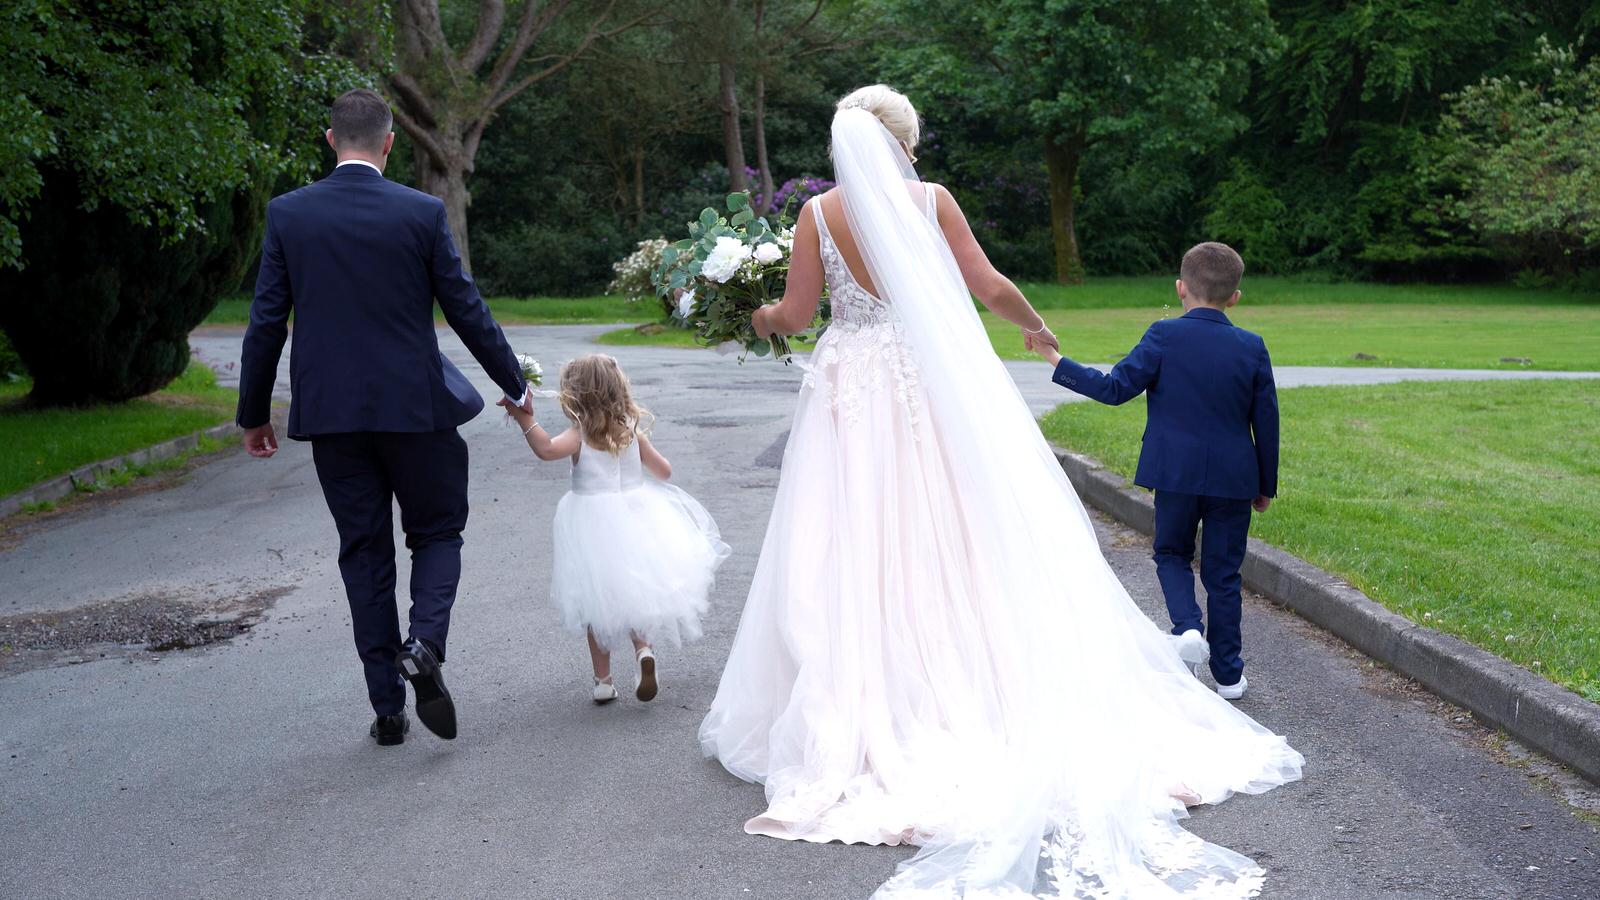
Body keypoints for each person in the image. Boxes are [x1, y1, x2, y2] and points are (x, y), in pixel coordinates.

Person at [698, 85, 1303, 898]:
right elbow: (985, 282)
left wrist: (755, 316)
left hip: (853, 391)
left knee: (851, 534)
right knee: (956, 527)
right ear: (903, 141)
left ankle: (873, 693)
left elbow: (800, 311)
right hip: (928, 382)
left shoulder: (819, 216)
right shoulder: (933, 199)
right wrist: (1034, 325)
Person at [236, 89, 531, 746]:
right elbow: (465, 307)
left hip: (335, 419)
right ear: (390, 141)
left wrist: (254, 413)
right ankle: (424, 645)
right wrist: (512, 381)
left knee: (364, 554)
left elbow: (265, 323)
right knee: (437, 534)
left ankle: (388, 709)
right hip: (418, 411)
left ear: (330, 139)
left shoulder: (290, 215)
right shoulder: (421, 213)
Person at [1038, 242, 1279, 699]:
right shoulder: (1252, 346)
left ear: (1180, 288)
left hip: (1174, 474)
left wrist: (1057, 361)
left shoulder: (1163, 335)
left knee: (1171, 553)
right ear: (1235, 297)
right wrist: (1265, 484)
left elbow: (1114, 389)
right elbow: (1265, 421)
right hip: (1233, 478)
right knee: (1224, 573)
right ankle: (1228, 674)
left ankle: (1187, 628)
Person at [500, 354, 728, 704]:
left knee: (597, 602)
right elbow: (664, 472)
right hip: (637, 516)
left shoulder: (579, 435)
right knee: (635, 592)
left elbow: (546, 450)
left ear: (576, 395)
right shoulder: (631, 429)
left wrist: (522, 417)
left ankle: (603, 681)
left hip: (592, 523)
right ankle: (643, 652)